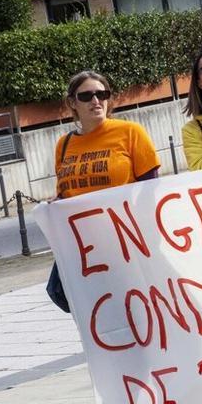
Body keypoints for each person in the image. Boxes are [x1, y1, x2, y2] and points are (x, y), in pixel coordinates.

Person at [48, 70, 160, 312]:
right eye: (86, 96)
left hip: (124, 241)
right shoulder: (64, 144)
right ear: (72, 103)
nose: (96, 101)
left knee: (136, 309)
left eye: (102, 94)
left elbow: (150, 188)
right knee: (96, 311)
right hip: (84, 247)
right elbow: (66, 191)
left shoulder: (130, 132)